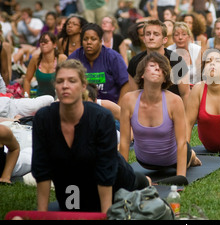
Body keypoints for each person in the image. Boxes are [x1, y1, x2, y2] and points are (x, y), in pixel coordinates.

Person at [31, 59, 150, 213]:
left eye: (72, 81)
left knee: (136, 183)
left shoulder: (101, 117)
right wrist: (42, 215)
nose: (65, 85)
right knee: (74, 210)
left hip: (116, 180)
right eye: (60, 81)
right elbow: (42, 170)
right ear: (55, 86)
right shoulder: (43, 119)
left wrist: (105, 214)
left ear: (83, 86)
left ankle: (145, 180)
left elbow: (106, 172)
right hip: (73, 182)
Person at [120, 53, 201, 185]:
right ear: (142, 74)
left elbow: (181, 142)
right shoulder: (128, 100)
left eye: (161, 68)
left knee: (186, 148)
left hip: (173, 160)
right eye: (152, 66)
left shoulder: (174, 101)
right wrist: (122, 175)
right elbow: (124, 141)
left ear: (165, 79)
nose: (157, 69)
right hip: (145, 162)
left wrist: (180, 177)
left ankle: (191, 156)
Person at [126, 19, 190, 106]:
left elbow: (185, 94)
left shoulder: (177, 61)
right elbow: (134, 95)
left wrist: (184, 118)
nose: (151, 37)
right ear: (144, 39)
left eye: (156, 34)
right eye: (148, 34)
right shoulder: (135, 62)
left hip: (173, 109)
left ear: (165, 40)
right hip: (144, 111)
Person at [69, 23, 129, 104]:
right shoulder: (74, 58)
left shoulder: (113, 57)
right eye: (85, 39)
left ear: (101, 41)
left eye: (93, 39)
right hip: (81, 107)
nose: (89, 42)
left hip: (110, 107)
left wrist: (119, 108)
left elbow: (126, 83)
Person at [23, 32, 67, 98]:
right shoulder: (36, 59)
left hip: (58, 100)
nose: (43, 43)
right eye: (41, 42)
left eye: (46, 41)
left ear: (54, 45)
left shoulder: (62, 58)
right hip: (40, 100)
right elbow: (27, 80)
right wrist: (26, 98)